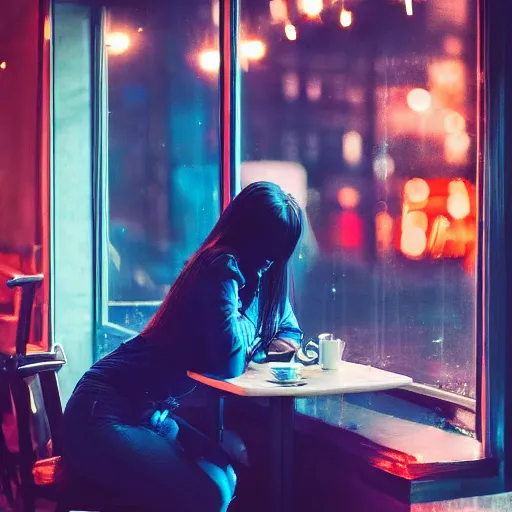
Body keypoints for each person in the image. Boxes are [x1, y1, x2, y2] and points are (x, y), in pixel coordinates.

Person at [61, 182, 304, 512]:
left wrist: (261, 338)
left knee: (225, 479)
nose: (271, 258)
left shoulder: (255, 276)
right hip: (104, 408)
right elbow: (231, 360)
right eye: (268, 243)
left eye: (280, 250)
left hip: (150, 413)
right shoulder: (219, 267)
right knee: (209, 493)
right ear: (249, 232)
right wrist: (260, 340)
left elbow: (289, 330)